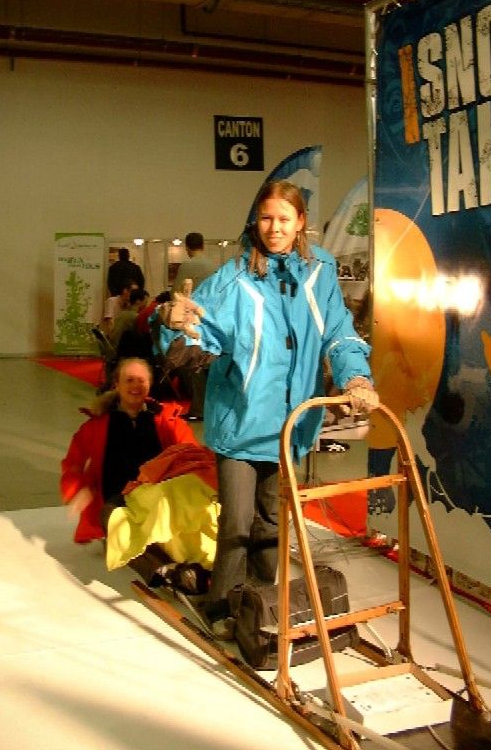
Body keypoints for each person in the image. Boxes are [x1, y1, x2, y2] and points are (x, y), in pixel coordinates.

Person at [154, 179, 378, 638]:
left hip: (291, 425)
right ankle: (222, 607)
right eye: (266, 218)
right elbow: (198, 332)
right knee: (237, 521)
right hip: (241, 421)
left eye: (284, 219)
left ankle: (259, 605)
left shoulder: (320, 273)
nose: (274, 228)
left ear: (300, 223)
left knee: (273, 519)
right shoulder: (233, 279)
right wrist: (171, 325)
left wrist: (356, 377)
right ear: (255, 222)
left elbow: (339, 333)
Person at [60, 357, 200, 582]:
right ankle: (166, 572)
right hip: (116, 504)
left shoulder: (167, 421)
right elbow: (73, 463)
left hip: (155, 501)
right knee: (126, 534)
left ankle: (188, 568)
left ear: (150, 385)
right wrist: (79, 490)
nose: (136, 386)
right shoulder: (96, 426)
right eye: (129, 380)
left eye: (141, 380)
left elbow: (193, 455)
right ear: (116, 384)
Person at [173, 233, 218, 421]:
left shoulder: (186, 266)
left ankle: (198, 408)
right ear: (203, 245)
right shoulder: (213, 266)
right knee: (209, 363)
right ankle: (210, 406)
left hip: (192, 322)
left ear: (187, 247)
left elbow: (177, 294)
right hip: (211, 320)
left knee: (194, 364)